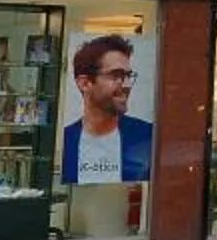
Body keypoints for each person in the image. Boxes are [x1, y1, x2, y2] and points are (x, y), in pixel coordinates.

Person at [61, 36, 154, 184]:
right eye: (116, 75)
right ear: (85, 84)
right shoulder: (65, 140)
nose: (126, 85)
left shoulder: (149, 137)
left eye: (128, 76)